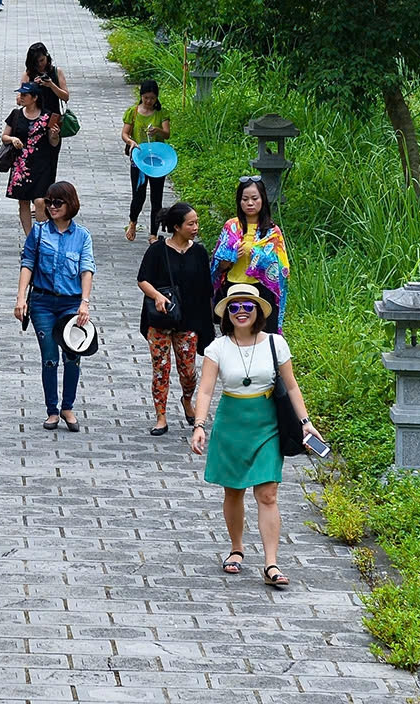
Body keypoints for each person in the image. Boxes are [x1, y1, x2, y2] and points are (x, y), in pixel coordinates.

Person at [190, 282, 324, 584]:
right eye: (234, 307)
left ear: (258, 311)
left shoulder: (276, 344)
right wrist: (199, 425)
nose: (241, 312)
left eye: (247, 307)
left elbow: (291, 385)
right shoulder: (218, 347)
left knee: (268, 493)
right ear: (226, 313)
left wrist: (305, 421)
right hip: (231, 423)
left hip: (267, 423)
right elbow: (207, 390)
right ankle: (236, 549)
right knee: (233, 490)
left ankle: (271, 564)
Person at [12, 180, 95, 432]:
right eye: (49, 202)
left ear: (70, 204)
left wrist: (85, 302)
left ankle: (67, 407)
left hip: (71, 303)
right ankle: (51, 410)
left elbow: (87, 269)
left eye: (57, 202)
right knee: (49, 356)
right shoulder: (38, 232)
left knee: (73, 355)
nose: (52, 206)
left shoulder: (82, 236)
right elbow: (28, 262)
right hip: (42, 302)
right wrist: (20, 297)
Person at [136, 202, 213, 435]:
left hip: (188, 320)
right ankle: (161, 416)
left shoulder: (199, 252)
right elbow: (143, 279)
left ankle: (187, 400)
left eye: (197, 222)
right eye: (191, 223)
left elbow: (205, 289)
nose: (196, 227)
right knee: (161, 368)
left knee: (188, 371)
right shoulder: (157, 250)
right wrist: (157, 296)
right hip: (160, 319)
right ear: (177, 226)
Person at [212, 174, 291, 331]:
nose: (250, 203)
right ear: (239, 201)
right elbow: (219, 266)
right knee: (235, 336)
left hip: (263, 290)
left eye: (254, 198)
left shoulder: (272, 231)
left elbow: (282, 268)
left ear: (262, 199)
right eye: (245, 199)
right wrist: (232, 256)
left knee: (264, 338)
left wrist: (259, 257)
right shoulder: (231, 226)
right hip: (235, 288)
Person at [2, 82, 62, 234]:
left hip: (42, 164)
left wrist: (54, 135)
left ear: (34, 98)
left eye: (25, 95)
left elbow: (53, 143)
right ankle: (30, 237)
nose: (21, 97)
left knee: (40, 201)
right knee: (23, 201)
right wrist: (12, 139)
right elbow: (4, 136)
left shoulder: (48, 116)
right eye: (21, 94)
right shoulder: (16, 114)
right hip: (21, 164)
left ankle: (42, 235)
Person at [122, 80, 172, 243]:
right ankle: (133, 221)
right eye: (146, 98)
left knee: (156, 198)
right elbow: (125, 133)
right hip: (139, 159)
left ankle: (153, 233)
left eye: (152, 98)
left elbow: (166, 134)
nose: (149, 101)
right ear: (141, 96)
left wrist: (157, 130)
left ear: (157, 98)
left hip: (158, 161)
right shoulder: (133, 112)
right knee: (139, 194)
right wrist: (131, 143)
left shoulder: (161, 113)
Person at [22, 41, 69, 115]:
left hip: (53, 118)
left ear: (47, 56)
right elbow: (20, 100)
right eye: (36, 62)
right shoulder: (28, 74)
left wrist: (51, 85)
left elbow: (66, 97)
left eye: (42, 60)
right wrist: (32, 86)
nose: (40, 64)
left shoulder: (57, 72)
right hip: (33, 118)